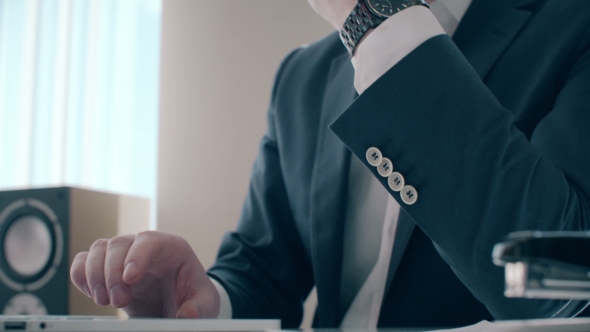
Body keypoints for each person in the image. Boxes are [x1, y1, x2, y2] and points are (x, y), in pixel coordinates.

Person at [70, 0, 590, 329]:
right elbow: (264, 274)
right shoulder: (303, 75)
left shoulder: (575, 23)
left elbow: (563, 285)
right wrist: (209, 305)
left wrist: (376, 18)